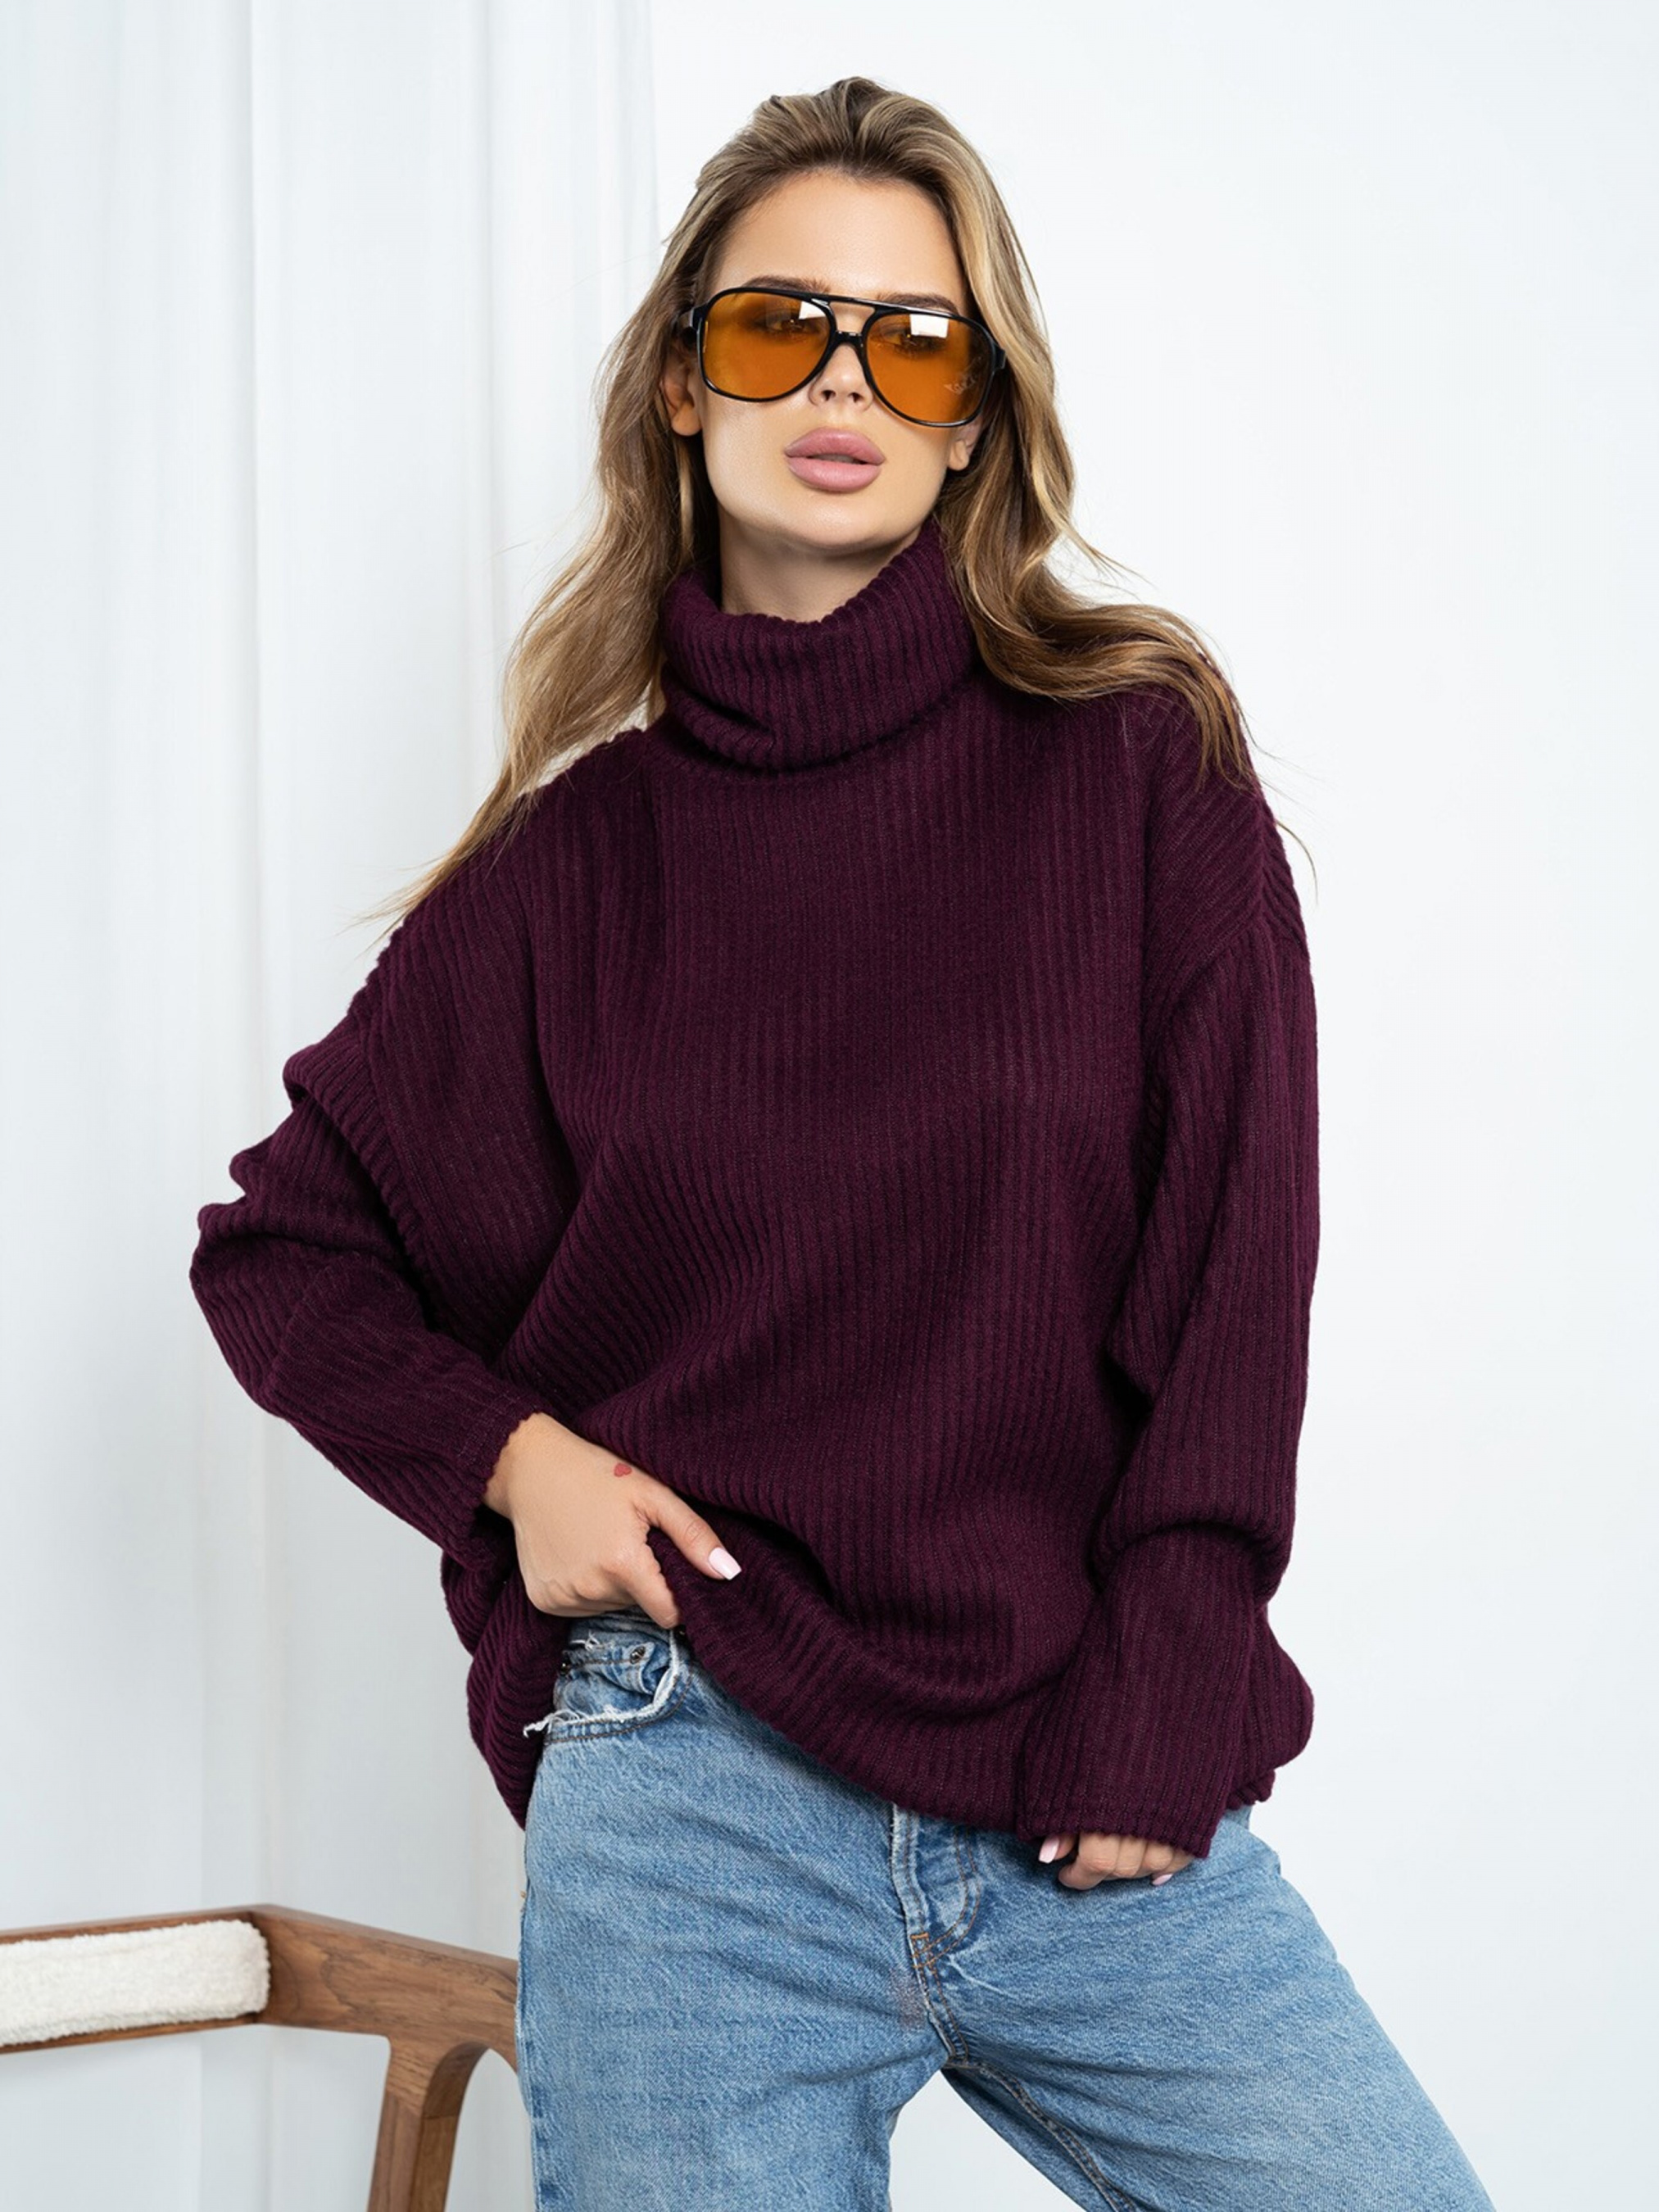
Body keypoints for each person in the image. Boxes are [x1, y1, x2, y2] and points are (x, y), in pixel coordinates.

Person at [191, 75, 1497, 2212]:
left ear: (976, 417)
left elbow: (1231, 1277)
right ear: (682, 382)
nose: (840, 383)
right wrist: (514, 1463)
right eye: (777, 322)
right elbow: (283, 1251)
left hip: (1082, 1765)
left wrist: (1173, 1672)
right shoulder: (566, 877)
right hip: (691, 1804)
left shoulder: (1139, 776)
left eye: (913, 342)